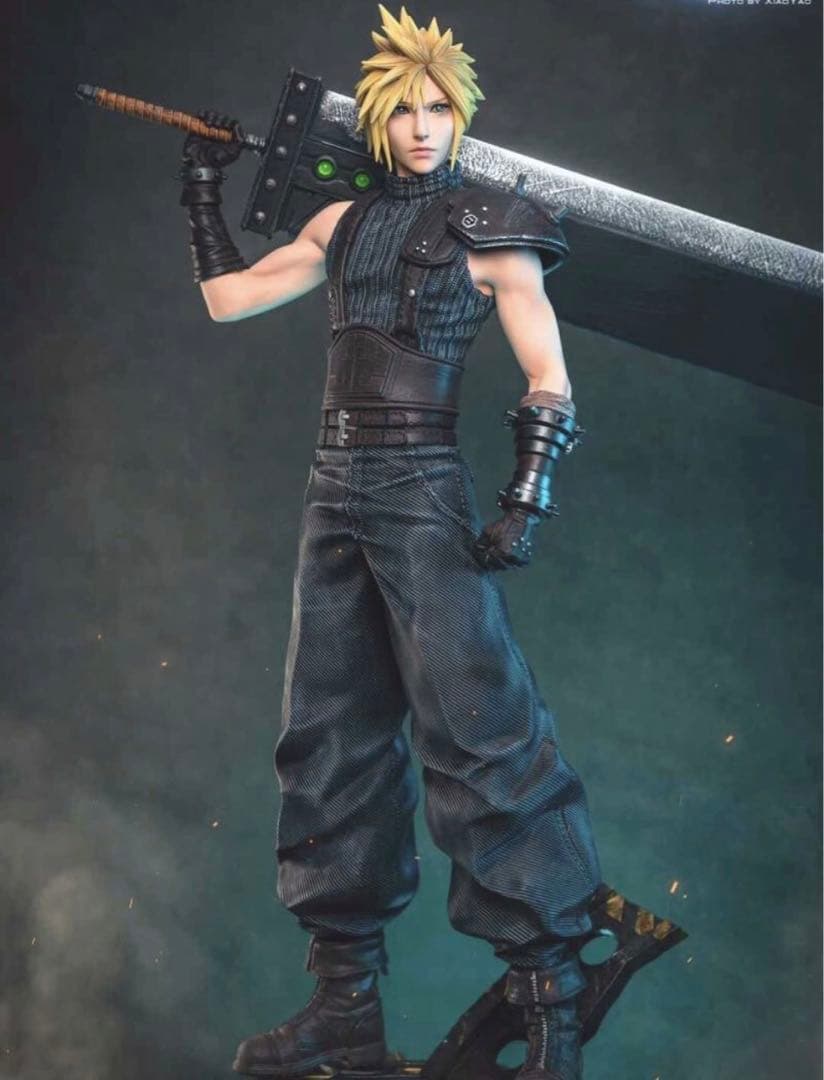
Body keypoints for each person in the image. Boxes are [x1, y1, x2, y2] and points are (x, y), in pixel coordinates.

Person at [178, 6, 603, 1078]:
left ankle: (552, 1009)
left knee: (480, 732)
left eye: (437, 108)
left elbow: (548, 375)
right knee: (327, 736)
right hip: (334, 489)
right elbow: (230, 301)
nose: (420, 127)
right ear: (375, 121)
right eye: (403, 110)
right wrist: (202, 192)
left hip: (420, 487)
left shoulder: (493, 229)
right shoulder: (340, 223)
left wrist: (526, 499)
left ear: (460, 115)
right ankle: (345, 1010)